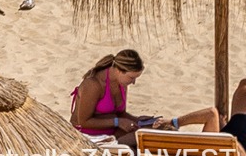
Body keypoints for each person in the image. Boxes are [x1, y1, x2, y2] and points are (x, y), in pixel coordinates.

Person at [71, 51, 220, 138]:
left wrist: (139, 120)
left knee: (160, 129)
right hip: (89, 135)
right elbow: (83, 121)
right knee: (152, 137)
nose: (133, 82)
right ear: (118, 70)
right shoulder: (94, 85)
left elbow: (120, 114)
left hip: (111, 132)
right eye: (131, 78)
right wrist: (118, 122)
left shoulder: (121, 83)